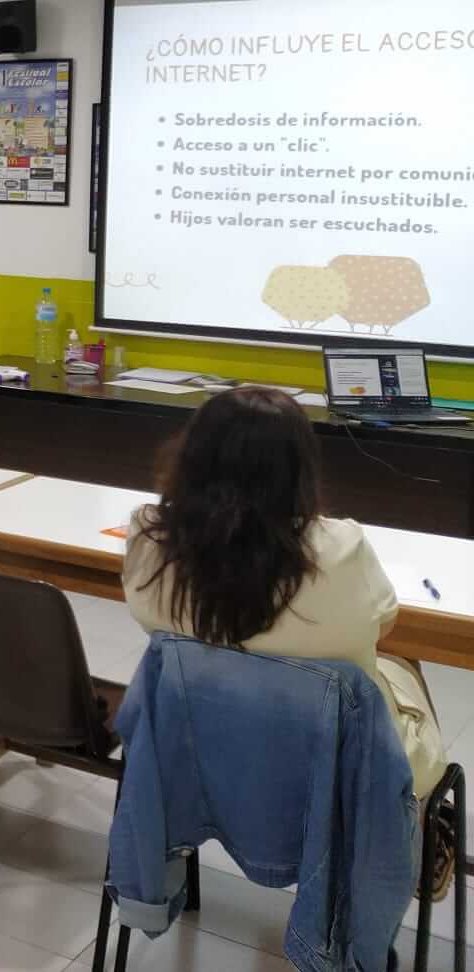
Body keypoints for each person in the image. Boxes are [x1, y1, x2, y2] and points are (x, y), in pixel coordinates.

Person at [124, 386, 452, 901]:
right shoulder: (339, 549)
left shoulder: (151, 536)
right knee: (401, 667)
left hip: (201, 754)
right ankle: (420, 826)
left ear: (191, 454)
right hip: (332, 772)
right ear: (299, 467)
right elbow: (383, 621)